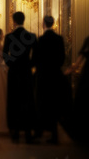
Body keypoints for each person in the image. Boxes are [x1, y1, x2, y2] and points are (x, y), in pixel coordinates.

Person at [32, 16, 70, 144]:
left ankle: (39, 132)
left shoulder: (41, 39)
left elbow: (36, 58)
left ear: (43, 24)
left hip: (42, 76)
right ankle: (54, 135)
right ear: (53, 24)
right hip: (55, 75)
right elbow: (62, 57)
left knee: (41, 104)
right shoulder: (59, 39)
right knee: (54, 104)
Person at [3, 12, 37, 143]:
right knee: (27, 100)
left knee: (14, 100)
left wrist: (12, 64)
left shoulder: (10, 36)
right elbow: (36, 55)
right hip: (27, 72)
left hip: (13, 73)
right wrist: (29, 65)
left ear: (14, 21)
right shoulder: (31, 36)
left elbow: (5, 55)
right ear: (24, 20)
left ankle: (15, 131)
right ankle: (28, 132)